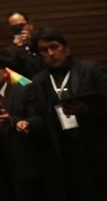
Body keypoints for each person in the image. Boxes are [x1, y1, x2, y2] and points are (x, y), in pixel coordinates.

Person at [32, 27, 107, 197]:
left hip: (96, 147)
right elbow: (40, 115)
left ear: (66, 48)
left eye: (54, 47)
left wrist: (88, 109)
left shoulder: (90, 69)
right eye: (44, 50)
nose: (50, 53)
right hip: (63, 153)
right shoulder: (39, 81)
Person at [0, 54, 46, 201]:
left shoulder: (24, 89)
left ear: (4, 71)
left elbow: (39, 119)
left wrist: (18, 122)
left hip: (31, 161)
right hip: (4, 167)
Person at [0, 11, 44, 79]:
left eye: (21, 25)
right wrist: (20, 49)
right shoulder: (8, 53)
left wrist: (31, 43)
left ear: (30, 25)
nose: (19, 29)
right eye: (15, 27)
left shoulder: (43, 45)